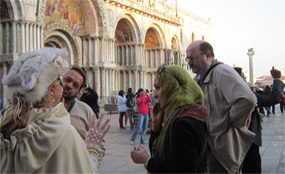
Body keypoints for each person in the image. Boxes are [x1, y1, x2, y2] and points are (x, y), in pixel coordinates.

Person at [0, 48, 110, 173]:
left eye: (75, 85)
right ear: (51, 90)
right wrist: (91, 150)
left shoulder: (8, 125)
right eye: (62, 81)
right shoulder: (62, 131)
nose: (65, 86)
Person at [186, 40, 256, 173]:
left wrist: (227, 122)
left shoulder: (221, 72)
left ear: (207, 55)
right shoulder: (198, 78)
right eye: (188, 58)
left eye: (193, 58)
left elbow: (247, 99)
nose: (189, 62)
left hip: (221, 148)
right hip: (208, 145)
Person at [131, 65, 208, 173]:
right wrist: (155, 126)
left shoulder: (182, 124)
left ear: (172, 89)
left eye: (158, 88)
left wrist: (147, 161)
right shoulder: (182, 115)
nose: (155, 95)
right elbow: (160, 153)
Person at [235, 67, 284, 173]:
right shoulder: (246, 95)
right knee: (252, 167)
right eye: (242, 76)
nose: (244, 78)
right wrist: (276, 78)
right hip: (249, 139)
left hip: (233, 141)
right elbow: (274, 98)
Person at [62, 66, 95, 139]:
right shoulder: (41, 107)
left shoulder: (86, 111)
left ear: (79, 91)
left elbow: (98, 143)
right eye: (67, 80)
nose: (69, 85)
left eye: (75, 85)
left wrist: (90, 149)